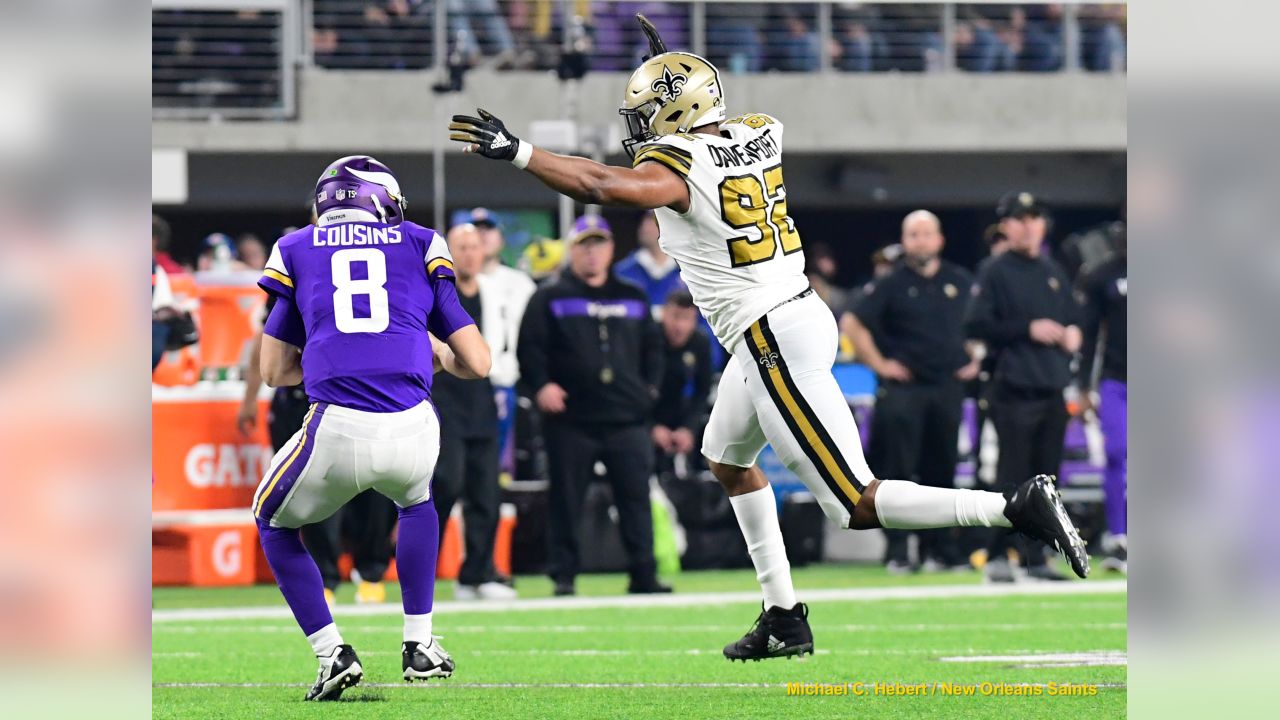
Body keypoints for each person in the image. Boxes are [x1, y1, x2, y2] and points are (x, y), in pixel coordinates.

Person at [448, 16, 1088, 662]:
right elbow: (697, 143)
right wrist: (673, 70)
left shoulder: (682, 164)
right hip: (790, 315)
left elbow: (604, 184)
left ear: (678, 111)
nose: (639, 130)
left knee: (854, 503)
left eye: (648, 115)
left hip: (769, 334)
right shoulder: (760, 130)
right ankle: (782, 615)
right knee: (726, 459)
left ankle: (1013, 506)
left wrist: (521, 152)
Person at [253, 155, 490, 700]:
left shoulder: (295, 248)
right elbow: (477, 363)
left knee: (272, 519)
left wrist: (327, 358)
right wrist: (433, 354)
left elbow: (272, 371)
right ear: (385, 202)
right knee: (417, 503)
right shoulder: (420, 241)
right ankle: (421, 644)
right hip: (413, 424)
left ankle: (331, 652)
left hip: (337, 424)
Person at [516, 214, 670, 597]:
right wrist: (541, 386)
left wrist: (649, 390)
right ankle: (564, 576)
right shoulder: (549, 296)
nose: (592, 251)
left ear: (610, 249)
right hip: (571, 420)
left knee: (635, 500)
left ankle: (644, 574)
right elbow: (529, 350)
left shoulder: (633, 296)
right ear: (572, 249)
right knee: (566, 502)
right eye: (584, 243)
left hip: (627, 420)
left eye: (599, 243)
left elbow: (655, 350)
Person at [846, 211, 979, 573]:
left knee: (943, 471)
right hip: (905, 390)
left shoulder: (960, 281)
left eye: (926, 234)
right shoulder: (891, 283)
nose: (920, 241)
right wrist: (880, 364)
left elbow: (983, 322)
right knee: (899, 474)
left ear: (940, 239)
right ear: (905, 242)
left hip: (946, 388)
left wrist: (976, 356)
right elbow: (853, 323)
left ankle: (941, 550)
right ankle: (900, 551)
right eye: (913, 234)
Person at [964, 191, 1082, 583]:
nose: (1028, 225)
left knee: (1048, 479)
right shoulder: (994, 271)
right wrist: (1026, 329)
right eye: (1020, 218)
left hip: (1051, 387)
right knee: (1012, 476)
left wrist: (1072, 334)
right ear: (1007, 226)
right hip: (1012, 387)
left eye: (1034, 218)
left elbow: (1072, 317)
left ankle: (1040, 558)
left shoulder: (1052, 271)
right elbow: (975, 325)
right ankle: (998, 554)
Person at [432, 223, 515, 600]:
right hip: (443, 394)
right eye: (460, 247)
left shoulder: (494, 292)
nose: (468, 253)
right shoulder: (436, 291)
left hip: (481, 396)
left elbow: (499, 348)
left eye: (473, 247)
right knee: (445, 483)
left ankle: (478, 573)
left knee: (485, 490)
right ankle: (422, 572)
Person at [1077, 222, 1127, 573]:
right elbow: (1090, 333)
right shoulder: (1103, 276)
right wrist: (1083, 385)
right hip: (1116, 379)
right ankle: (1119, 537)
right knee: (1115, 452)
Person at [652, 289, 713, 474]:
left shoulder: (700, 342)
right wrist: (650, 427)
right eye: (675, 317)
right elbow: (633, 387)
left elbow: (702, 390)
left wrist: (688, 428)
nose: (679, 326)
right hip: (644, 415)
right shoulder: (648, 338)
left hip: (678, 413)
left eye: (686, 319)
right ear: (663, 314)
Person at [613, 211, 683, 313]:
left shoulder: (685, 274)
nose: (646, 226)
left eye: (653, 221)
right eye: (645, 220)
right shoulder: (622, 272)